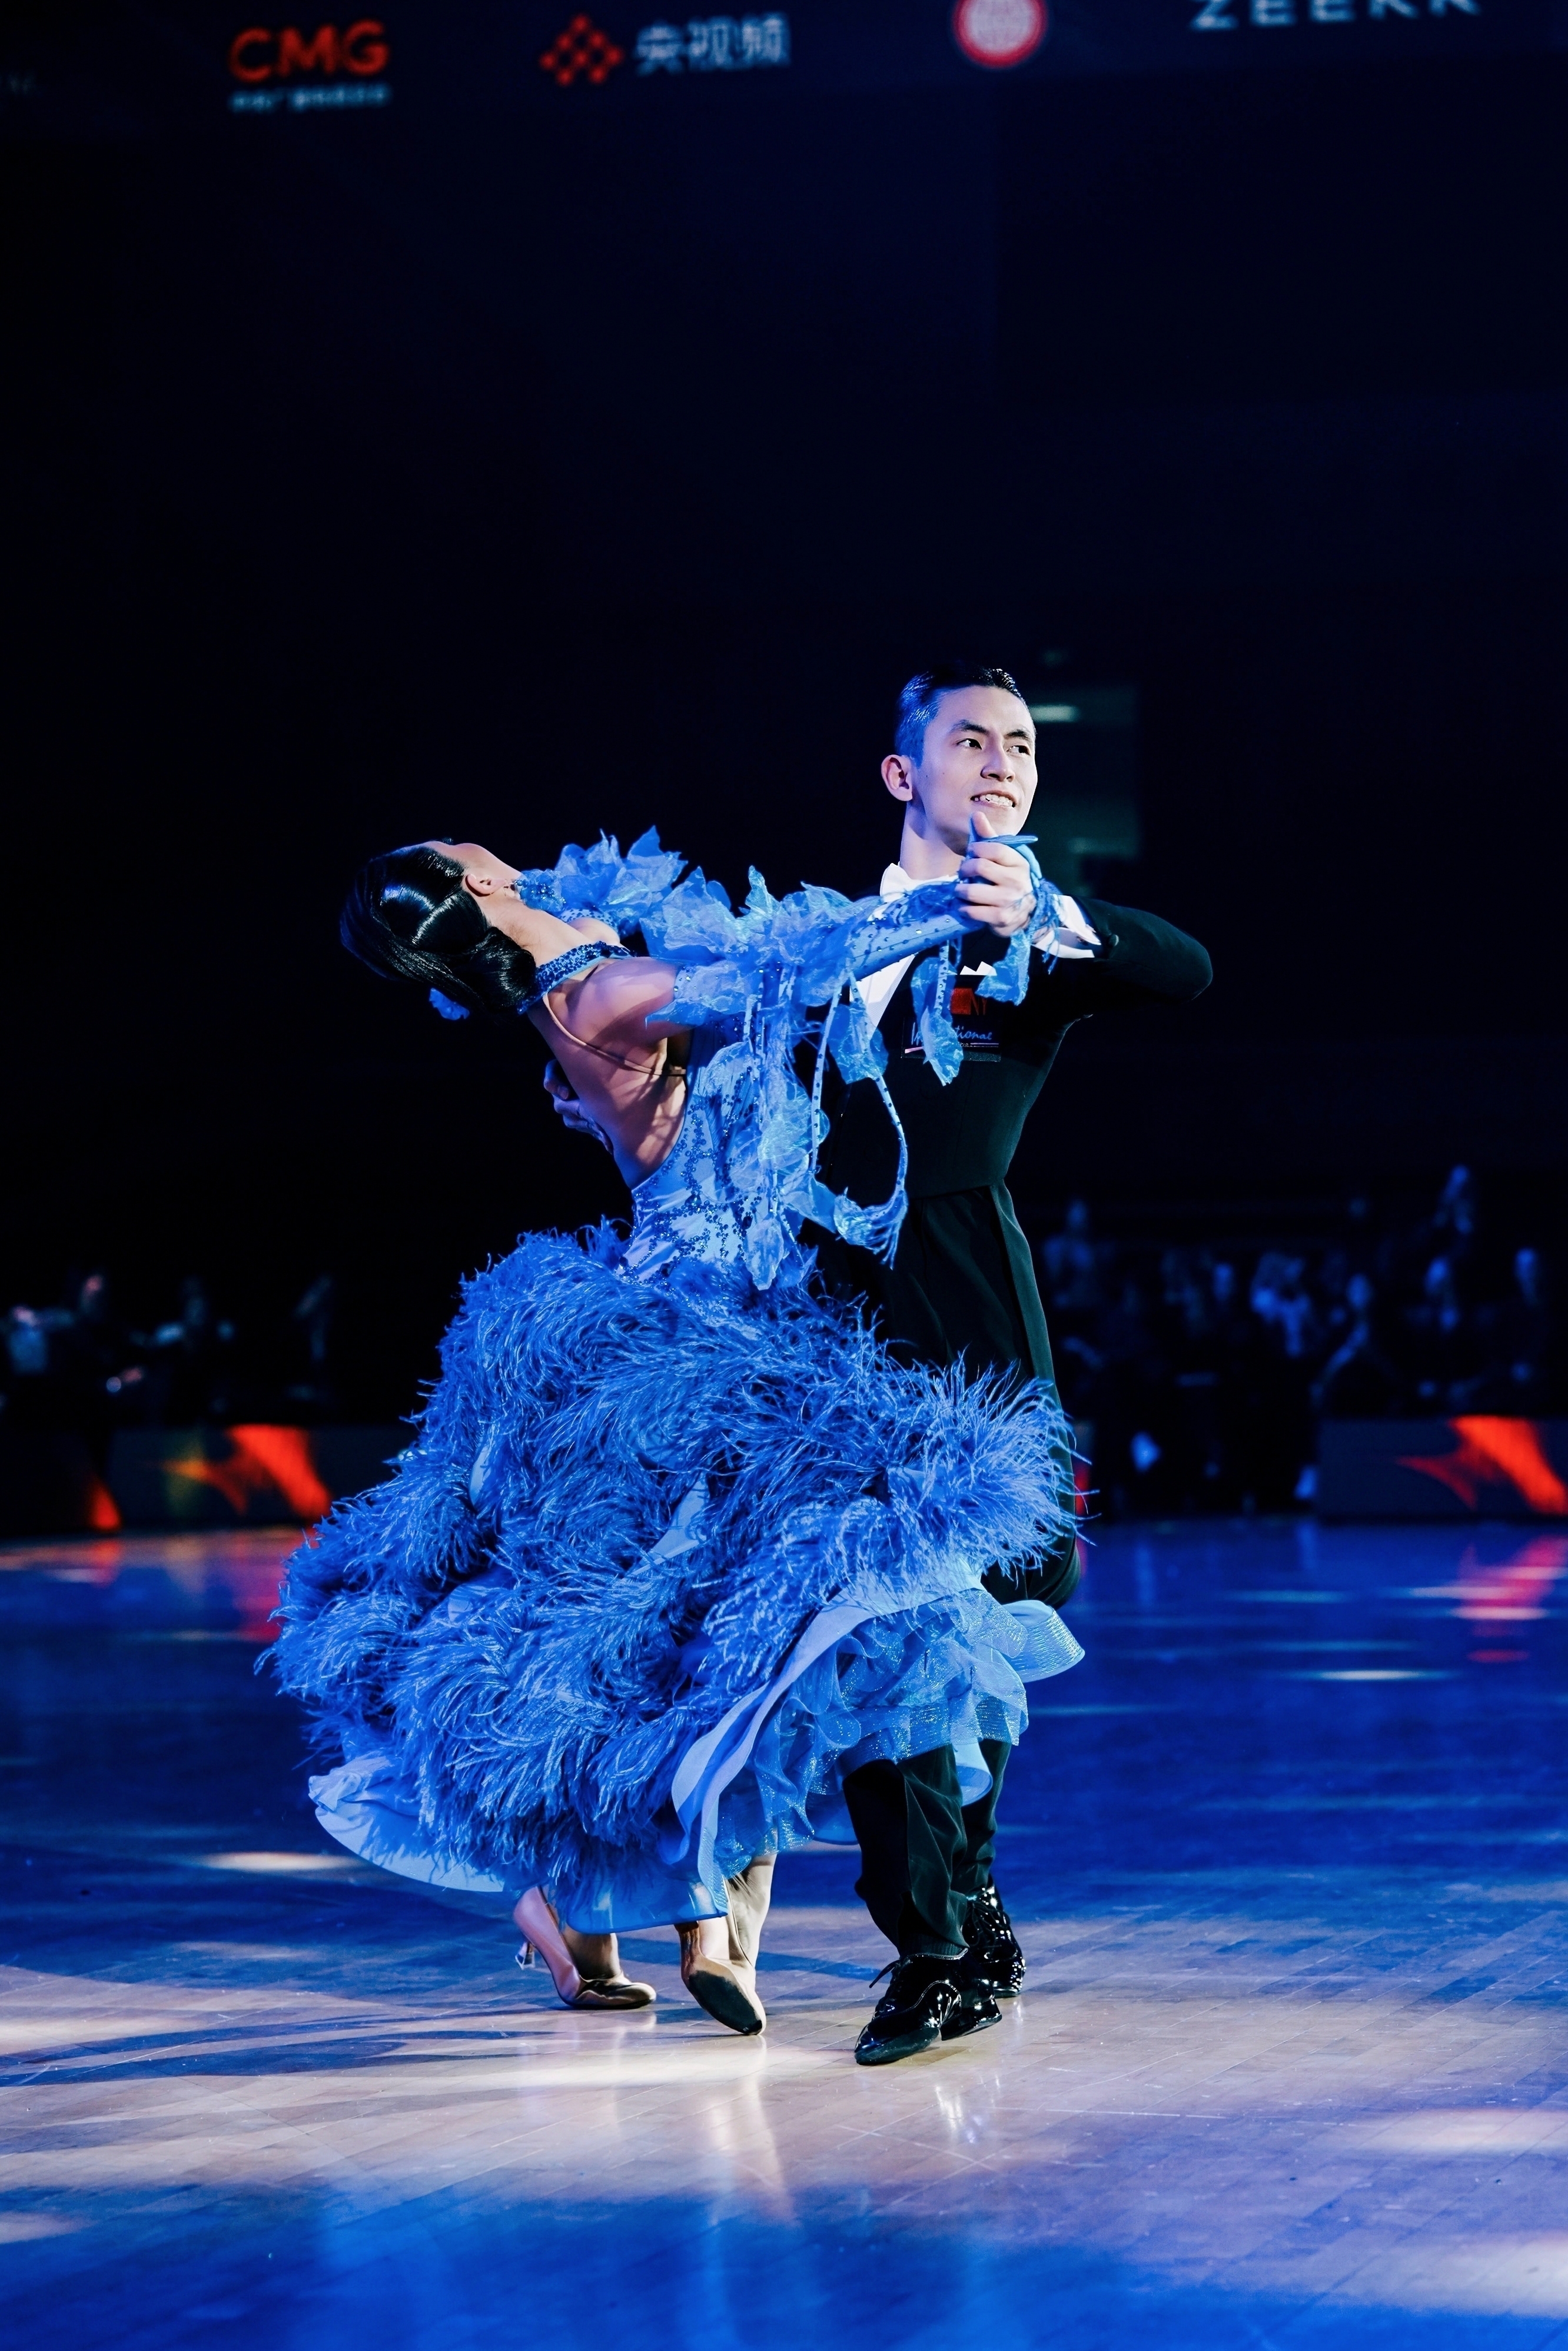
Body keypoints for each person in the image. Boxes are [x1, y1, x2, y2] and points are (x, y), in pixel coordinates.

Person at [273, 828, 1084, 2066]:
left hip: (749, 1324)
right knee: (710, 1631)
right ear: (478, 886)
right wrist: (954, 912)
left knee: (685, 1640)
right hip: (699, 1339)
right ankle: (688, 1909)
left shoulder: (597, 972)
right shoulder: (599, 987)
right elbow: (792, 973)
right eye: (466, 845)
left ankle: (640, 1910)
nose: (493, 840)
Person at [549, 663, 1212, 2027]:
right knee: (860, 1618)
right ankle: (936, 1944)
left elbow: (1185, 967)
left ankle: (965, 1901)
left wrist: (1056, 911)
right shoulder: (809, 946)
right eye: (970, 740)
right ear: (903, 774)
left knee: (1011, 1591)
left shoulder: (1023, 937)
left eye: (1022, 746)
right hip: (821, 1338)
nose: (1003, 763)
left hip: (968, 1303)